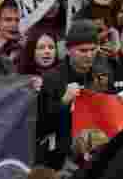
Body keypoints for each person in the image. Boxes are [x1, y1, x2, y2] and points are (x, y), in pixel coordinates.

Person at [38, 21, 105, 169]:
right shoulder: (51, 79)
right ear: (68, 50)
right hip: (61, 159)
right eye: (83, 50)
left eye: (93, 50)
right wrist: (64, 101)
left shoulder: (103, 75)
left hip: (96, 156)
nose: (89, 55)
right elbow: (41, 126)